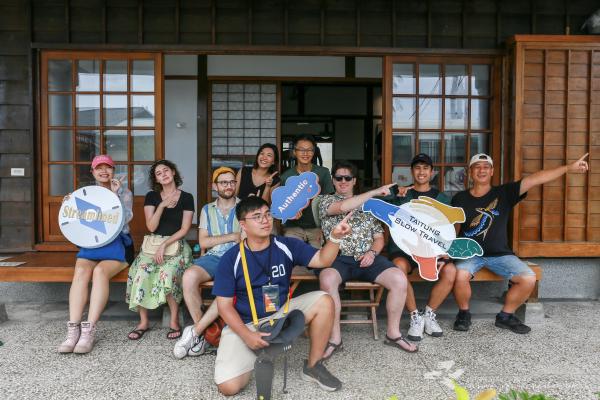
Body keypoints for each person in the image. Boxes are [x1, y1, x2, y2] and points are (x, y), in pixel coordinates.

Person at [212, 196, 352, 395]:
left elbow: (323, 259)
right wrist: (247, 336)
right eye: (257, 216)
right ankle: (256, 352)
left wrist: (336, 237)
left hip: (281, 313)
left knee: (324, 300)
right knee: (229, 387)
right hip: (247, 323)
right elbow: (224, 306)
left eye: (268, 214)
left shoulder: (286, 245)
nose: (265, 220)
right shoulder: (231, 258)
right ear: (243, 224)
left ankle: (312, 366)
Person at [452, 152, 589, 334]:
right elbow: (455, 228)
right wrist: (450, 251)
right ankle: (463, 313)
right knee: (459, 276)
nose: (481, 170)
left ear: (492, 171)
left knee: (528, 278)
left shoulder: (504, 193)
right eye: (477, 167)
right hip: (469, 253)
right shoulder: (459, 198)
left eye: (486, 167)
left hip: (501, 254)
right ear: (470, 172)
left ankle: (505, 316)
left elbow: (535, 179)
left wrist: (568, 168)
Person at [318, 160, 418, 357]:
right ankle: (334, 339)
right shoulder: (325, 201)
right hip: (338, 258)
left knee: (399, 279)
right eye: (339, 178)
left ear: (354, 180)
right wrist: (374, 192)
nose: (343, 181)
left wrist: (372, 253)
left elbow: (379, 238)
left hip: (367, 258)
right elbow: (343, 207)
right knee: (327, 279)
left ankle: (393, 334)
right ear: (333, 180)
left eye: (348, 178)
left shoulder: (369, 207)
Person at [58, 154, 133, 354]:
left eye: (107, 167)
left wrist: (116, 195)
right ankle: (72, 330)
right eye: (98, 168)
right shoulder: (84, 194)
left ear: (113, 171)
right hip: (90, 247)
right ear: (92, 172)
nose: (103, 171)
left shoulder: (124, 192)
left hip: (117, 246)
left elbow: (125, 221)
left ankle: (89, 330)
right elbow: (73, 221)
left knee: (100, 272)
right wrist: (68, 206)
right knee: (81, 271)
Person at [381, 153, 457, 341]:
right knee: (398, 268)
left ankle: (429, 314)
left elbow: (450, 225)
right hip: (405, 248)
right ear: (412, 171)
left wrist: (445, 250)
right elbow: (383, 208)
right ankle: (415, 315)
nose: (421, 172)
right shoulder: (403, 194)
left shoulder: (441, 198)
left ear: (432, 172)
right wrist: (394, 193)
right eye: (417, 168)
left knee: (451, 271)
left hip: (431, 250)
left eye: (425, 168)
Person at [174, 167, 241, 359]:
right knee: (188, 277)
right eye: (223, 182)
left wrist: (220, 238)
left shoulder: (245, 207)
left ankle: (197, 332)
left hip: (236, 258)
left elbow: (245, 240)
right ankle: (203, 335)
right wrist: (232, 236)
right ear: (215, 186)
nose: (228, 186)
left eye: (231, 182)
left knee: (227, 284)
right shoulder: (207, 209)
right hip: (213, 257)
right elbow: (204, 242)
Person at [126, 159, 194, 340]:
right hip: (152, 246)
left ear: (173, 172)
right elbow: (151, 227)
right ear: (156, 179)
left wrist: (165, 244)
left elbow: (185, 228)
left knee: (168, 273)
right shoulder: (152, 197)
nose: (163, 174)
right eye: (158, 173)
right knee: (141, 271)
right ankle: (143, 322)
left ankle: (173, 321)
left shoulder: (187, 197)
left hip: (176, 245)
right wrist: (162, 206)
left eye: (166, 170)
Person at [280, 135, 334, 247]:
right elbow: (282, 205)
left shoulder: (323, 173)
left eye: (309, 150)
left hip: (316, 228)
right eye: (301, 150)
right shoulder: (286, 176)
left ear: (314, 152)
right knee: (294, 257)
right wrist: (290, 212)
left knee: (318, 260)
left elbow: (329, 202)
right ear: (294, 152)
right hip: (292, 227)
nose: (306, 153)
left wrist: (324, 229)